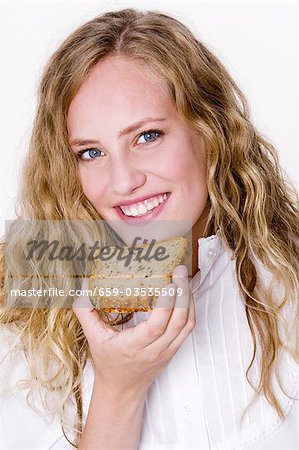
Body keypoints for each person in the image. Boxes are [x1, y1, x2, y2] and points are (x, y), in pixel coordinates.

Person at [0, 7, 298, 450]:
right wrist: (119, 389)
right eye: (90, 153)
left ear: (209, 131)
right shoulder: (25, 304)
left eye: (147, 136)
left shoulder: (286, 271)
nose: (123, 182)